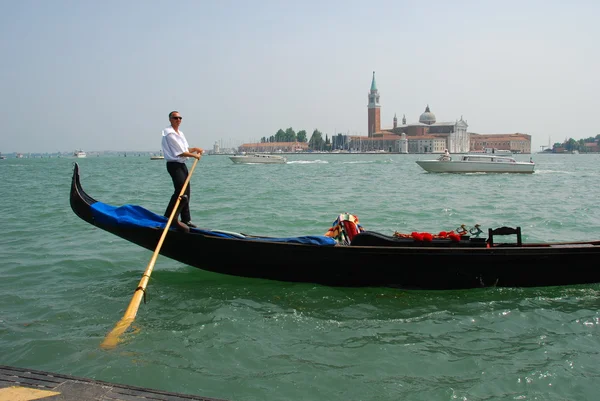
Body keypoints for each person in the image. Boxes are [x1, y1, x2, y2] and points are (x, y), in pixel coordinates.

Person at [161, 111, 203, 228]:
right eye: (175, 118)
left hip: (181, 165)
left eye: (180, 118)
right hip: (174, 165)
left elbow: (185, 149)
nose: (178, 120)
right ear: (170, 119)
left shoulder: (180, 133)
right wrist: (195, 155)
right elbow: (179, 152)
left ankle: (186, 220)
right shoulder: (169, 134)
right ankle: (168, 217)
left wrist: (194, 149)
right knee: (180, 191)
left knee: (186, 192)